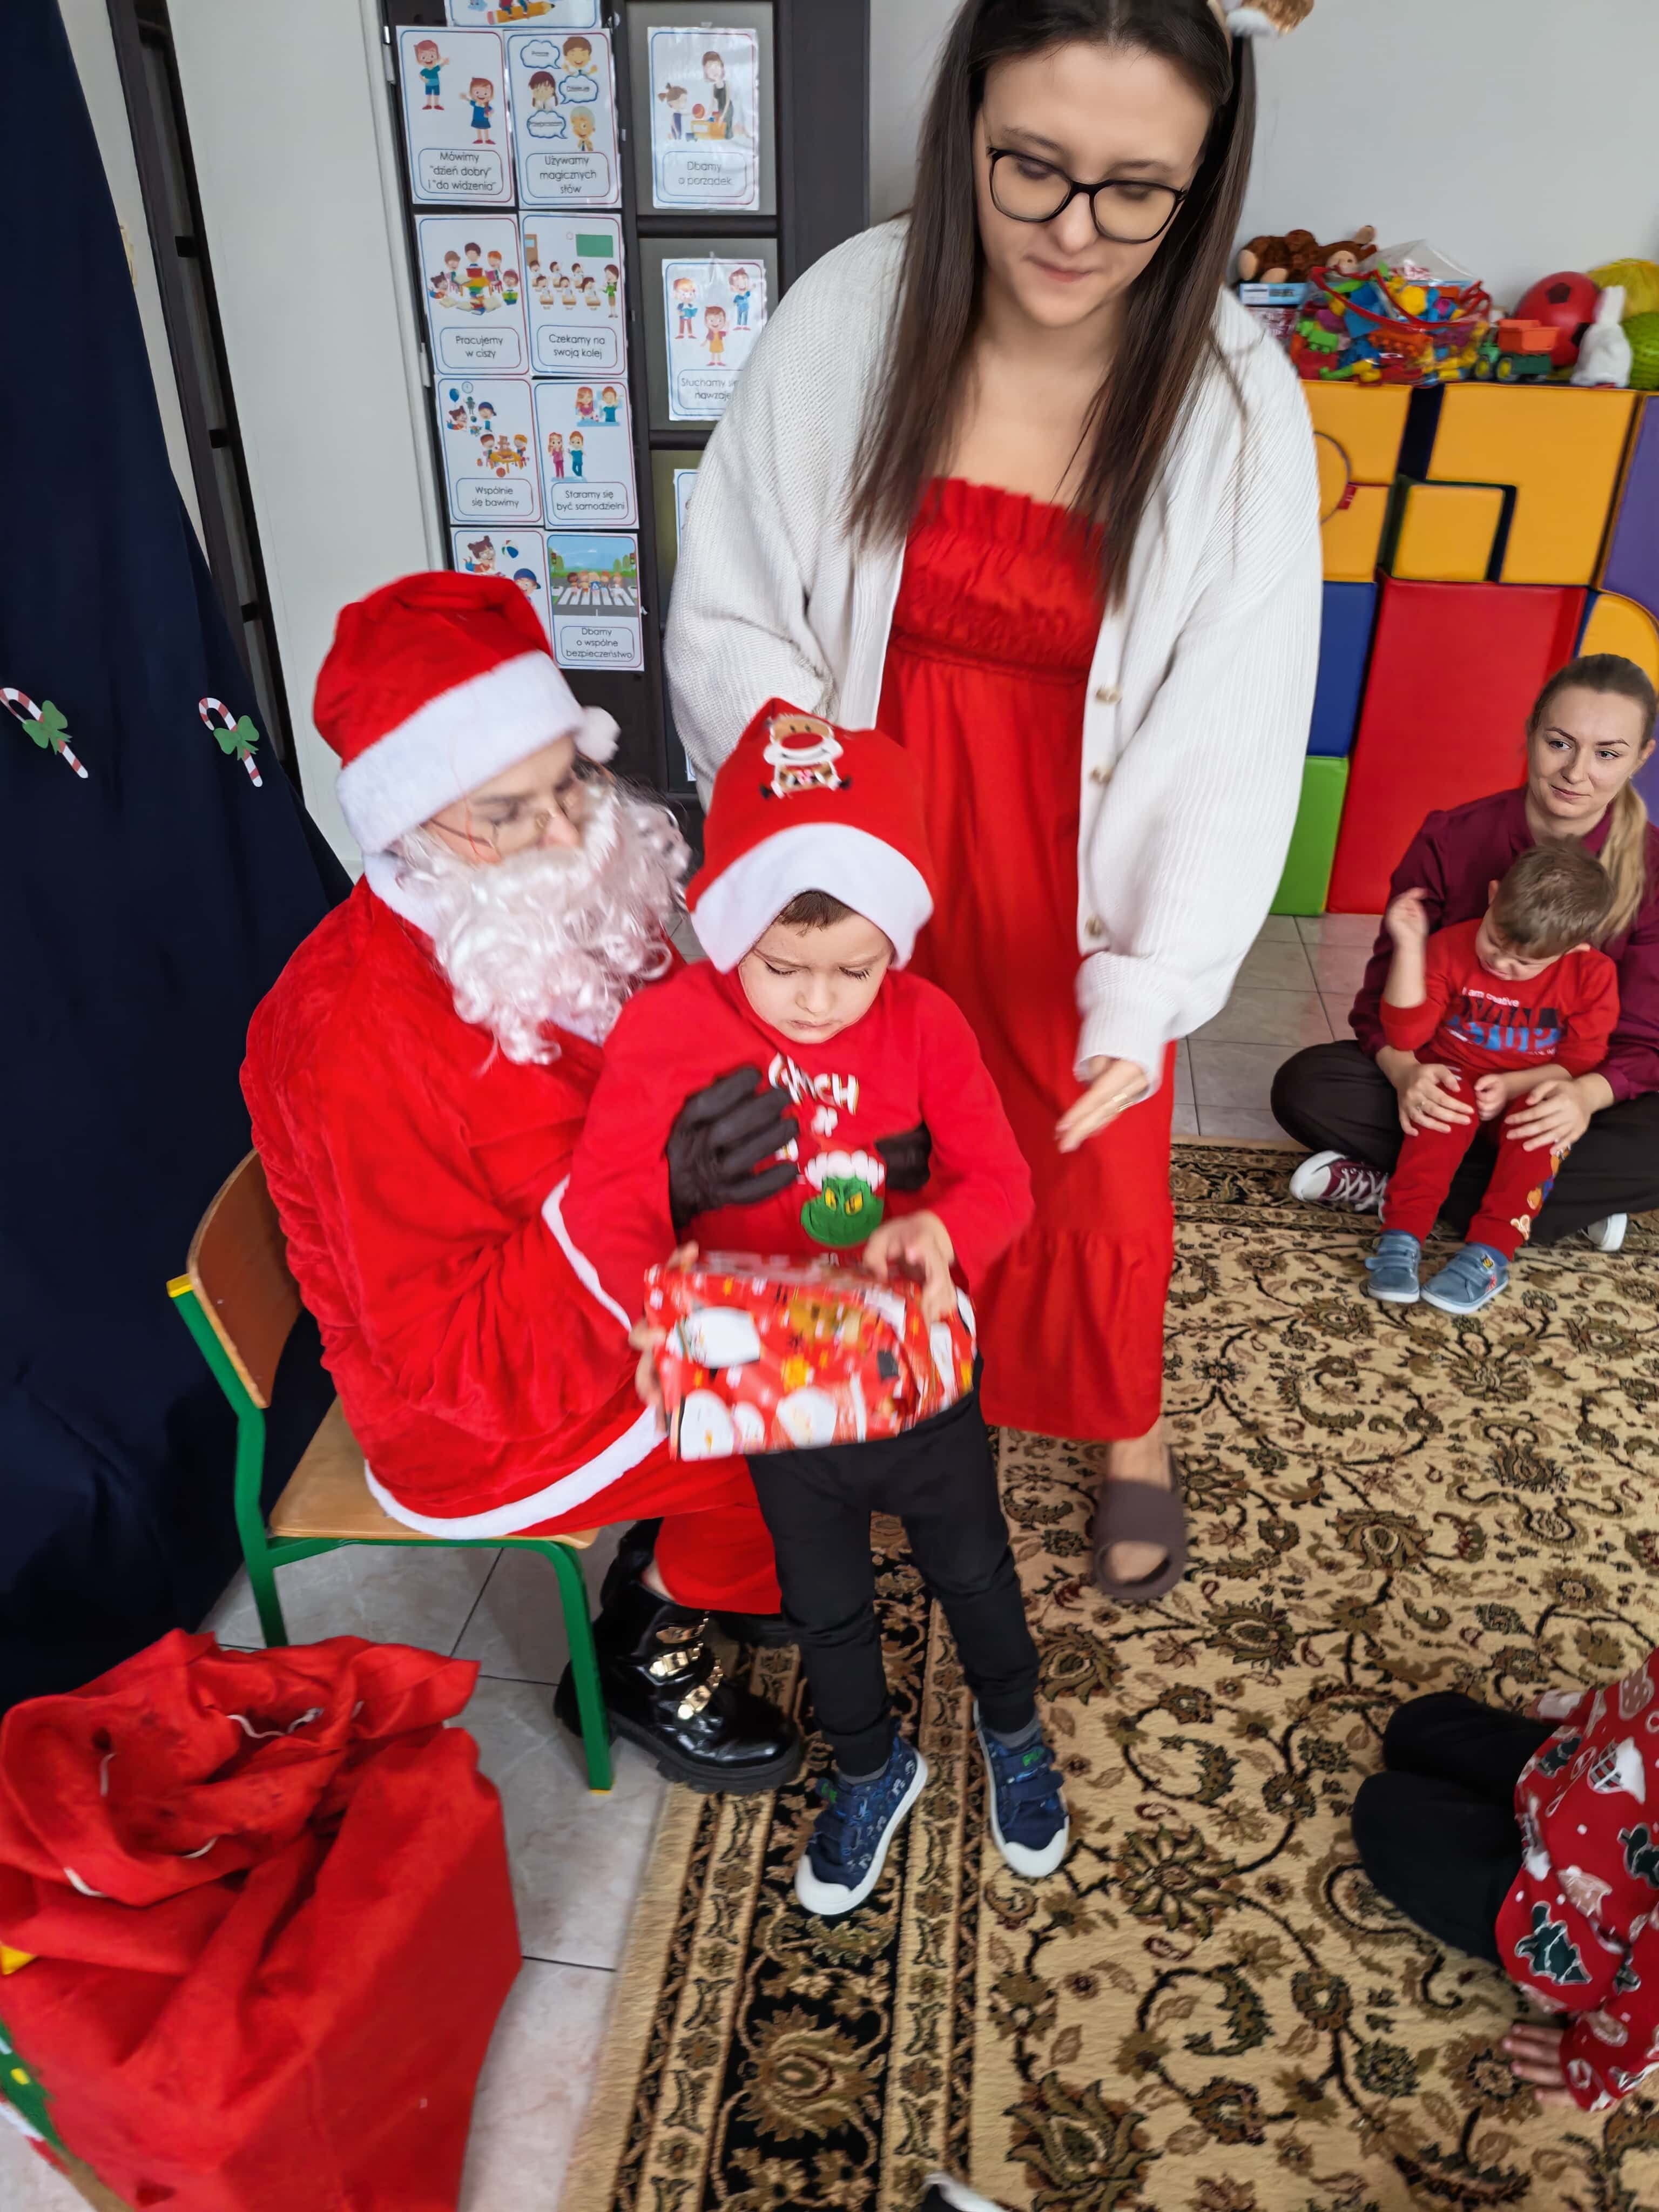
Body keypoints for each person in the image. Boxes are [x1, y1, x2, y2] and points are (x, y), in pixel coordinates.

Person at [665, 0, 1320, 1603]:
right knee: (868, 1135)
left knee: (1090, 1156)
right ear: (962, 120)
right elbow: (735, 606)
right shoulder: (846, 317)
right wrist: (807, 841)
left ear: (1203, 178)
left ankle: (1122, 1424)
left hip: (1082, 855)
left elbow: (1228, 727)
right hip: (861, 826)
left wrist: (1150, 977)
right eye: (1029, 165)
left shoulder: (1234, 401)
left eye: (1135, 188)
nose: (1073, 229)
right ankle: (886, 1381)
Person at [241, 572, 802, 1795]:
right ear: (408, 823)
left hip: (612, 1299)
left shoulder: (539, 889)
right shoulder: (354, 1039)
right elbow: (449, 1360)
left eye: (574, 781)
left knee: (862, 1290)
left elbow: (672, 1056)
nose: (566, 833)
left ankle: (725, 1551)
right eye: (508, 811)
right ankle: (641, 1643)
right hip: (478, 1416)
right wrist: (658, 1185)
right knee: (816, 1426)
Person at [562, 703, 1067, 1916]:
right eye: (780, 967)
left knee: (974, 1572)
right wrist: (651, 1304)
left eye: (857, 967)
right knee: (826, 1605)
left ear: (897, 942)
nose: (819, 1002)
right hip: (772, 1390)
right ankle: (869, 1765)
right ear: (728, 926)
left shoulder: (929, 1022)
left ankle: (1014, 1734)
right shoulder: (668, 1025)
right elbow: (609, 1197)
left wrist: (941, 1229)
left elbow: (1002, 1180)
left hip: (916, 1378)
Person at [1276, 655, 1659, 1252]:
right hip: (1446, 1076)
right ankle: (1540, 1206)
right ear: (1531, 732)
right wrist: (1406, 1074)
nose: (1576, 772)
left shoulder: (1652, 869)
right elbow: (1380, 1003)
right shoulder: (1452, 837)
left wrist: (1584, 1097)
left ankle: (1405, 1186)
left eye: (1607, 754)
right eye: (1559, 743)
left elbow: (1644, 1040)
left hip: (1553, 1091)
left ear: (1640, 758)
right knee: (1306, 1086)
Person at [1353, 1661, 1659, 2114]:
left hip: (1578, 1920)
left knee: (1381, 1812)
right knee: (1414, 1727)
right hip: (1584, 1772)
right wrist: (1588, 1711)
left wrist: (1601, 2062)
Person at [1363, 845, 1618, 1314]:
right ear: (1493, 896)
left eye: (1524, 964)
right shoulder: (1450, 946)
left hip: (1529, 1089)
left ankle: (1489, 1254)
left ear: (1575, 947)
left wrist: (1515, 1087)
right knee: (1440, 1105)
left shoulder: (1592, 974)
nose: (1501, 965)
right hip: (1456, 1077)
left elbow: (1582, 1059)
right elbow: (1405, 1035)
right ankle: (1400, 1235)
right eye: (1494, 943)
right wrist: (1411, 948)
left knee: (1544, 1124)